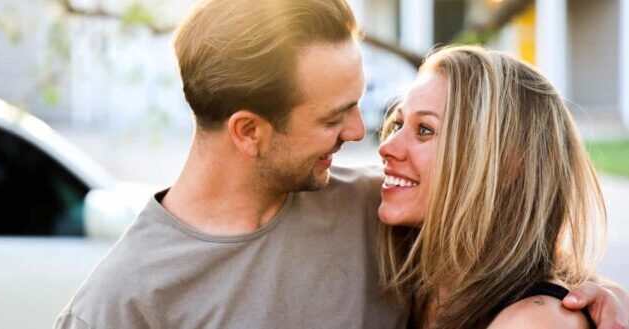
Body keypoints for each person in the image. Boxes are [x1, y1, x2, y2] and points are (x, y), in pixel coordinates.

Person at [55, 1, 629, 328]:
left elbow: (499, 220)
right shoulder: (121, 303)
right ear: (249, 131)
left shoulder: (375, 209)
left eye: (362, 105)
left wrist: (592, 292)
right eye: (334, 117)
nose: (362, 134)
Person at [377, 45, 623, 328]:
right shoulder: (426, 287)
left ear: (506, 165)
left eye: (425, 130)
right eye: (397, 125)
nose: (386, 147)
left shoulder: (533, 321)